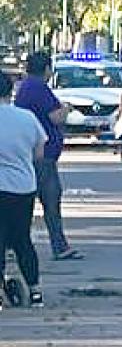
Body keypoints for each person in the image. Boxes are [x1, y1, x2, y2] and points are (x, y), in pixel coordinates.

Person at [14, 52, 82, 260]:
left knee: (27, 201)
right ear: (46, 69)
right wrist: (67, 109)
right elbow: (55, 117)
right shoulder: (39, 88)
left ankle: (13, 244)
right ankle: (59, 246)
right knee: (51, 200)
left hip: (33, 152)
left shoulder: (26, 87)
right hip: (41, 156)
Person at [0, 74, 47, 309]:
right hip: (23, 187)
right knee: (22, 241)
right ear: (11, 92)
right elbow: (39, 152)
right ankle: (35, 291)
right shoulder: (26, 118)